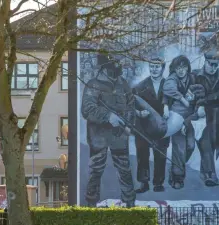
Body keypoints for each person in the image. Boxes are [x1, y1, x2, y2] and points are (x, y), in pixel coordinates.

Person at [81, 54, 136, 208]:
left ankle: (130, 203)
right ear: (105, 68)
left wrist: (128, 124)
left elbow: (131, 104)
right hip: (98, 136)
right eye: (114, 64)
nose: (118, 68)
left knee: (124, 169)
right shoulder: (93, 85)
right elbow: (87, 109)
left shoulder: (122, 84)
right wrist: (108, 116)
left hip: (119, 135)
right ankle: (91, 204)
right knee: (96, 170)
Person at [162, 55, 205, 189]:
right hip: (176, 116)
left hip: (190, 118)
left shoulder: (192, 78)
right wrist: (182, 98)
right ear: (174, 69)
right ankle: (177, 177)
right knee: (179, 148)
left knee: (190, 146)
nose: (181, 71)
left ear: (187, 68)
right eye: (178, 68)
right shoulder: (172, 78)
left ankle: (177, 166)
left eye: (184, 67)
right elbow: (167, 88)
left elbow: (201, 91)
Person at [192, 48, 219, 187]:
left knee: (209, 142)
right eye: (211, 64)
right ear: (205, 61)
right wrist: (197, 110)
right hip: (196, 118)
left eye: (216, 64)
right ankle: (210, 174)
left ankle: (206, 173)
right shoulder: (194, 76)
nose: (214, 67)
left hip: (216, 119)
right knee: (206, 140)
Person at [133, 57, 169, 193]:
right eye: (152, 66)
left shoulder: (168, 85)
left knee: (160, 154)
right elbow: (130, 104)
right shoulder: (140, 86)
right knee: (142, 154)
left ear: (163, 68)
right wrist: (138, 112)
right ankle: (144, 183)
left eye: (157, 66)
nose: (154, 69)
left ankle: (158, 183)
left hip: (162, 126)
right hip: (143, 126)